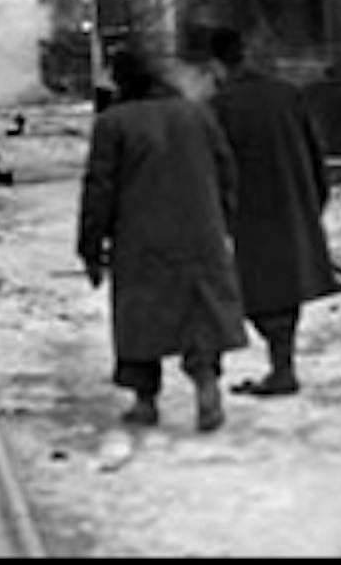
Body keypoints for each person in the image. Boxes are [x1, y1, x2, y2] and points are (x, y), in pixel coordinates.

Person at [76, 47, 248, 432]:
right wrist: (225, 222)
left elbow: (99, 189)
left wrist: (90, 246)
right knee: (200, 313)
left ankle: (145, 400)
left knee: (140, 317)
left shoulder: (113, 123)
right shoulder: (197, 114)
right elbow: (227, 171)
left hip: (141, 239)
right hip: (199, 233)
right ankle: (206, 385)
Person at [206, 26, 337, 397]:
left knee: (254, 293)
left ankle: (276, 371)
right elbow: (315, 153)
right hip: (291, 205)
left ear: (218, 65)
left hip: (249, 212)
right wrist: (314, 201)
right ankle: (283, 367)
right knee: (284, 292)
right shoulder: (287, 95)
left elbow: (215, 166)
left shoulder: (219, 106)